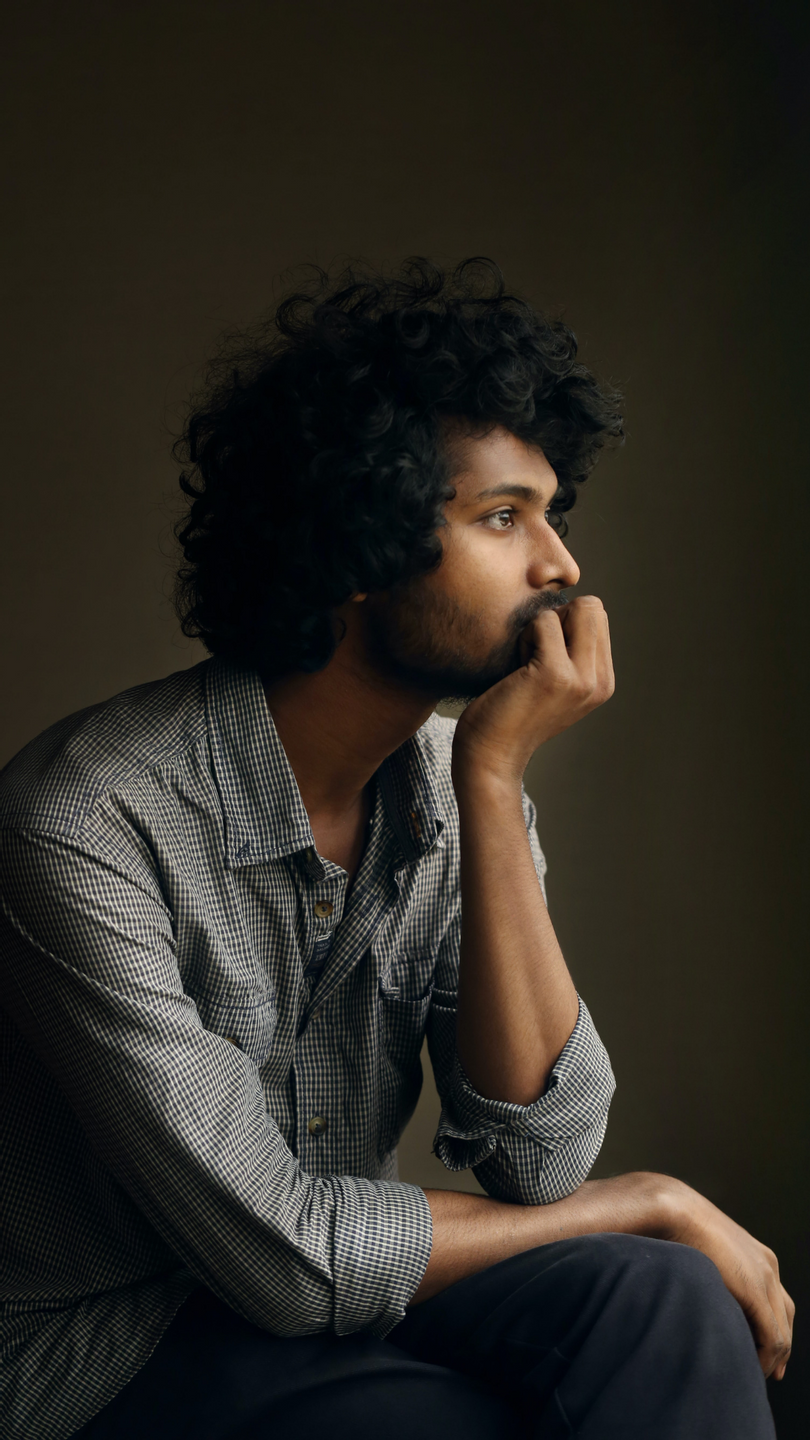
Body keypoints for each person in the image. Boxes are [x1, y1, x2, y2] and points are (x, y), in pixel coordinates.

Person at [0, 260, 791, 1440]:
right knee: (441, 1417)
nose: (561, 566)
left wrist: (493, 780)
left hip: (338, 1297)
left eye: (553, 515)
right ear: (359, 544)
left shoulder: (458, 782)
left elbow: (540, 1159)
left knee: (665, 1298)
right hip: (101, 1342)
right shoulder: (82, 824)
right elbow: (277, 1258)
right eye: (504, 518)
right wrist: (653, 1198)